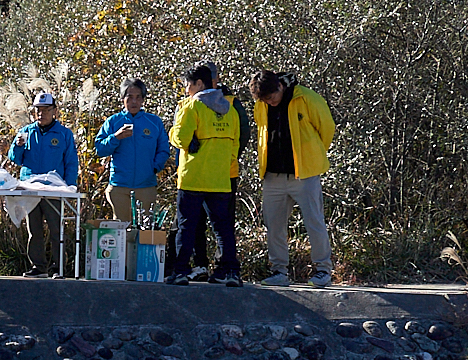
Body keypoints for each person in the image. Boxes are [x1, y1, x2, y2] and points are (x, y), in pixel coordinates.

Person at [252, 69, 339, 287]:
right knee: (274, 225)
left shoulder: (307, 98)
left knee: (314, 222)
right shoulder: (261, 104)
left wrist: (313, 156)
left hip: (305, 175)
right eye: (265, 100)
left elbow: (327, 128)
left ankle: (323, 271)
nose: (270, 103)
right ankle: (279, 271)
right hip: (272, 176)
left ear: (280, 87)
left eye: (271, 98)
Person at [166, 60, 244, 284]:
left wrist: (173, 130)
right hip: (220, 178)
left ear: (199, 84)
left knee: (186, 226)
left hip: (193, 177)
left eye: (187, 85)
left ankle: (180, 271)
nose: (186, 90)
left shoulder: (192, 106)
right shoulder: (230, 109)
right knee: (222, 227)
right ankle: (230, 272)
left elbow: (180, 138)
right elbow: (235, 145)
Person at [5, 90, 80, 276]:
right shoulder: (26, 132)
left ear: (54, 111)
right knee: (34, 230)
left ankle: (58, 267)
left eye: (46, 109)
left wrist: (70, 186)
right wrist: (18, 145)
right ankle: (38, 267)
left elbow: (71, 162)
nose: (42, 113)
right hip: (30, 187)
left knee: (56, 229)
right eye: (38, 109)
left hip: (54, 188)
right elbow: (15, 159)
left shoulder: (63, 134)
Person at [94, 79, 172, 231]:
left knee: (146, 232)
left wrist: (154, 168)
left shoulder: (154, 122)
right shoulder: (114, 121)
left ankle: (142, 256)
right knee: (121, 232)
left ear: (143, 99)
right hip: (119, 186)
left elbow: (163, 149)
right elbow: (100, 149)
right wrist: (116, 137)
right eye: (129, 97)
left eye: (138, 97)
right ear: (123, 99)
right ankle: (122, 256)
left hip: (146, 186)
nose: (134, 101)